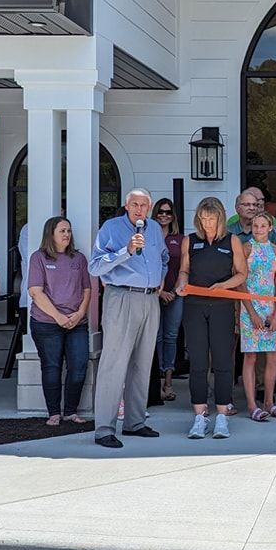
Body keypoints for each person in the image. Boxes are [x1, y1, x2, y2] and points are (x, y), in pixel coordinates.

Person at [89, 188, 169, 449]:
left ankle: (134, 422)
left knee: (142, 363)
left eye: (144, 205)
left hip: (149, 299)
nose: (139, 209)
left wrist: (160, 278)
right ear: (126, 206)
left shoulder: (155, 229)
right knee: (114, 363)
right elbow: (96, 266)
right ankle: (104, 428)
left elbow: (164, 258)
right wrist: (125, 250)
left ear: (149, 207)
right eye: (134, 204)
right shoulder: (111, 228)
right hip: (121, 297)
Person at [176, 197, 248, 439]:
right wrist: (182, 283)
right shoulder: (190, 240)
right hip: (194, 306)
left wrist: (223, 286)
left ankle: (222, 417)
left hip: (222, 305)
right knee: (197, 362)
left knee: (222, 363)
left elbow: (241, 274)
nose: (207, 223)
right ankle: (199, 416)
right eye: (203, 218)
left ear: (220, 218)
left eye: (211, 218)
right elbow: (184, 270)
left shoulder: (232, 241)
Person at [27, 217, 92, 426]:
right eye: (62, 231)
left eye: (69, 231)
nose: (67, 235)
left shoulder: (78, 259)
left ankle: (71, 411)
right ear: (51, 234)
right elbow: (35, 292)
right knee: (52, 366)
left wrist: (80, 313)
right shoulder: (39, 258)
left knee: (79, 365)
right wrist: (59, 317)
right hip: (46, 323)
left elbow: (87, 288)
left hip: (76, 323)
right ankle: (54, 412)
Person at [240, 214, 276, 420]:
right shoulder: (245, 248)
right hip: (250, 306)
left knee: (273, 355)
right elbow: (240, 281)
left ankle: (269, 401)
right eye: (255, 225)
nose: (258, 229)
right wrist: (251, 312)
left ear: (270, 228)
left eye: (262, 225)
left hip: (271, 306)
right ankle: (252, 404)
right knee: (250, 355)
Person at [153, 198, 184, 402]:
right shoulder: (148, 236)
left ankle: (169, 382)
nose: (164, 215)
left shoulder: (180, 239)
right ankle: (155, 382)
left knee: (171, 336)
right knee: (156, 337)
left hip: (175, 293)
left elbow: (184, 267)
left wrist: (172, 291)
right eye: (160, 212)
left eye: (168, 212)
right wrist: (159, 291)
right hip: (153, 294)